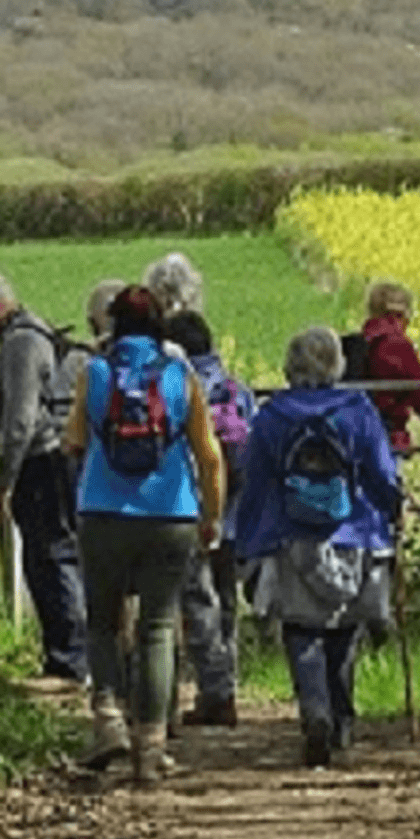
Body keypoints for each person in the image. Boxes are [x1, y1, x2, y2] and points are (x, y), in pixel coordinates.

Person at [64, 286, 225, 782]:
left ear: (112, 324)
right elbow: (210, 455)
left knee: (102, 621)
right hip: (170, 515)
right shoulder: (181, 376)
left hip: (103, 512)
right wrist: (211, 516)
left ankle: (109, 719)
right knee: (157, 626)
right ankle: (151, 748)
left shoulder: (94, 373)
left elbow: (73, 440)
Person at [235, 326, 400, 767]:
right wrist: (392, 510)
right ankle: (342, 719)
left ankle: (315, 712)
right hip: (355, 532)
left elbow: (253, 478)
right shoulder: (358, 410)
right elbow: (382, 474)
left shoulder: (273, 416)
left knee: (302, 628)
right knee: (344, 628)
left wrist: (249, 536)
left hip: (291, 536)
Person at [0, 264, 88, 683]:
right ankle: (65, 655)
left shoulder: (21, 342)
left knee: (50, 558)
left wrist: (2, 483)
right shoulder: (28, 335)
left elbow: (19, 421)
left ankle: (68, 659)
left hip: (40, 462)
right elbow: (0, 377)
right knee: (49, 556)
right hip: (52, 460)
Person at [165, 310, 256, 728]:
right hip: (235, 513)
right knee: (226, 603)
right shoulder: (237, 387)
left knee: (197, 601)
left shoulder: (180, 384)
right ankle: (227, 684)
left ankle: (215, 692)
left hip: (196, 509)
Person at [361, 282, 420, 455]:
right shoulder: (399, 345)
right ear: (401, 313)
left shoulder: (362, 340)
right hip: (390, 436)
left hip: (359, 431)